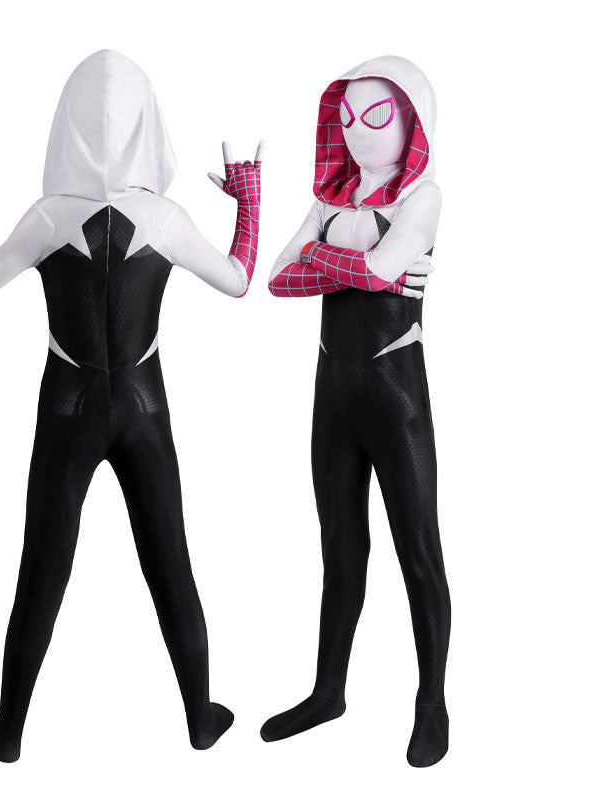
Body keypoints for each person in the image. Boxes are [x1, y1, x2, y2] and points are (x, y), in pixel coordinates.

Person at [0, 49, 262, 762]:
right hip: (145, 407)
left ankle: (10, 730)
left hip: (68, 408)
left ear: (67, 127)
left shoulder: (49, 216)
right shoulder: (165, 217)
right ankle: (200, 717)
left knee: (43, 567)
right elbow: (239, 279)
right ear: (150, 123)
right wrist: (250, 202)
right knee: (170, 561)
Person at [264, 55, 451, 768]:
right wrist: (366, 264)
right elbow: (278, 280)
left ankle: (431, 702)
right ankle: (328, 692)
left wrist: (328, 255)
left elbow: (361, 271)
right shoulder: (330, 197)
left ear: (412, 121)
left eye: (377, 115)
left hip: (397, 397)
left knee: (419, 550)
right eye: (346, 117)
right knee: (340, 547)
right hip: (333, 397)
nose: (357, 130)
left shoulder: (423, 196)